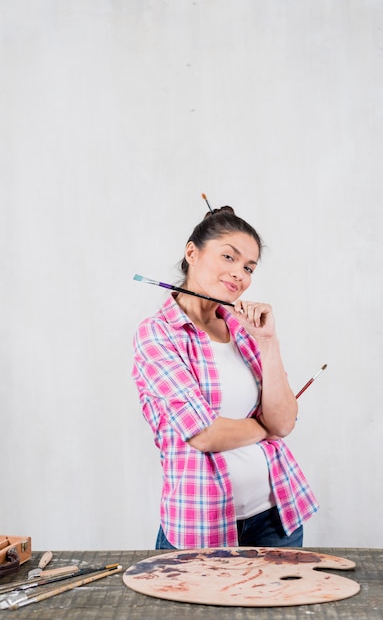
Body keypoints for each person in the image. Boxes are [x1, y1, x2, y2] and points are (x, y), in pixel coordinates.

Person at [132, 206, 319, 550]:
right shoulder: (158, 335)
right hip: (201, 526)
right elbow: (204, 435)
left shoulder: (244, 330)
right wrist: (264, 429)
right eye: (229, 257)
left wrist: (268, 340)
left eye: (248, 267)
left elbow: (285, 421)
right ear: (192, 252)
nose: (240, 274)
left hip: (275, 517)